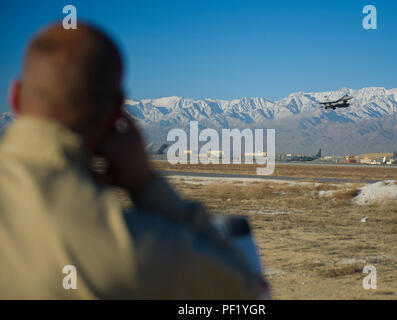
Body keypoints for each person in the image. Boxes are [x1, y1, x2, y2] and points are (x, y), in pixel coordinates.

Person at [0, 22, 263, 299]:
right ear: (117, 113)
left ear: (14, 96)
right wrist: (145, 184)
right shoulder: (130, 245)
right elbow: (247, 292)